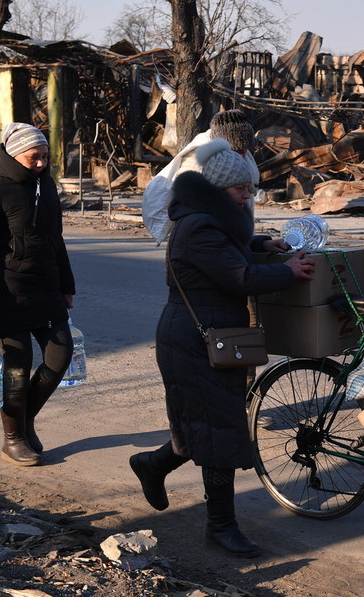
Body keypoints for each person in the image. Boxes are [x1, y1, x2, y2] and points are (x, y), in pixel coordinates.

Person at [128, 138, 315, 558]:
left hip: (211, 336)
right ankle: (221, 526)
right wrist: (287, 271)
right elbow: (239, 277)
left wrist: (261, 245)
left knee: (209, 425)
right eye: (240, 189)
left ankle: (152, 465)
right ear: (216, 190)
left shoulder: (207, 220)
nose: (247, 196)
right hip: (193, 339)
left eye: (250, 188)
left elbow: (231, 252)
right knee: (217, 429)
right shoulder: (199, 226)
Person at [0, 122, 75, 467]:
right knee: (17, 367)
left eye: (45, 156)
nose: (41, 163)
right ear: (15, 155)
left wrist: (67, 285)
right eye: (34, 157)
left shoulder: (45, 183)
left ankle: (25, 419)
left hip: (46, 288)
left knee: (60, 355)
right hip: (7, 293)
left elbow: (56, 238)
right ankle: (13, 439)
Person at [142, 110, 260, 245]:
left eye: (246, 149)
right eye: (238, 150)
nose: (244, 154)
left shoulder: (239, 153)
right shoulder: (197, 159)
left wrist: (258, 243)